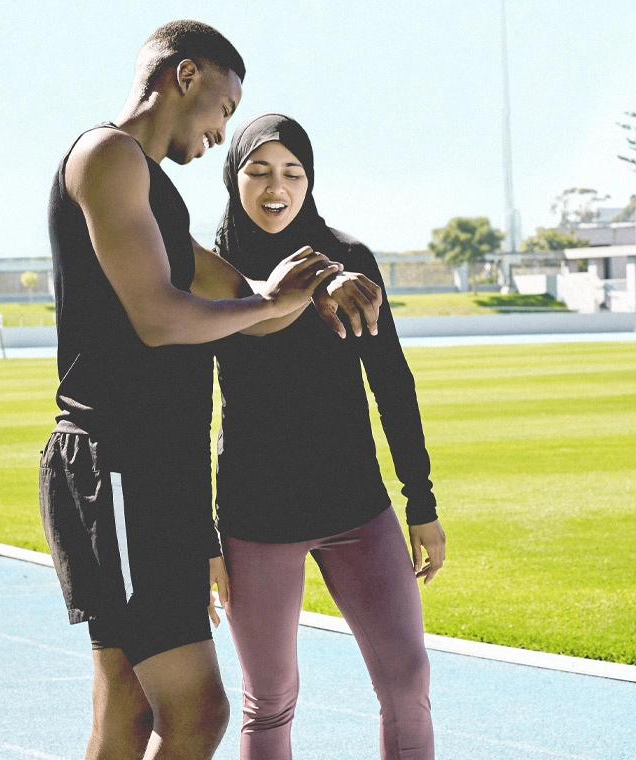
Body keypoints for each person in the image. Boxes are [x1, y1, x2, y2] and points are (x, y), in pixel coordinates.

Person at [39, 21, 381, 760]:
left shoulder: (153, 190)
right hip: (119, 467)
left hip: (153, 474)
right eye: (225, 108)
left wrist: (317, 291)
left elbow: (243, 295)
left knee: (126, 718)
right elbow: (161, 319)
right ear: (184, 76)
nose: (223, 131)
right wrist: (267, 305)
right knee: (198, 712)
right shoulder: (108, 157)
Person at [212, 114, 445, 760]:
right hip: (257, 519)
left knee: (408, 681)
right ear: (234, 178)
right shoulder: (210, 272)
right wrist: (201, 538)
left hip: (357, 509)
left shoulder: (353, 262)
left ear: (310, 181)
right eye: (257, 170)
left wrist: (420, 503)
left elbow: (392, 384)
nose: (275, 186)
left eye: (292, 171)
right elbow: (184, 410)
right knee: (271, 700)